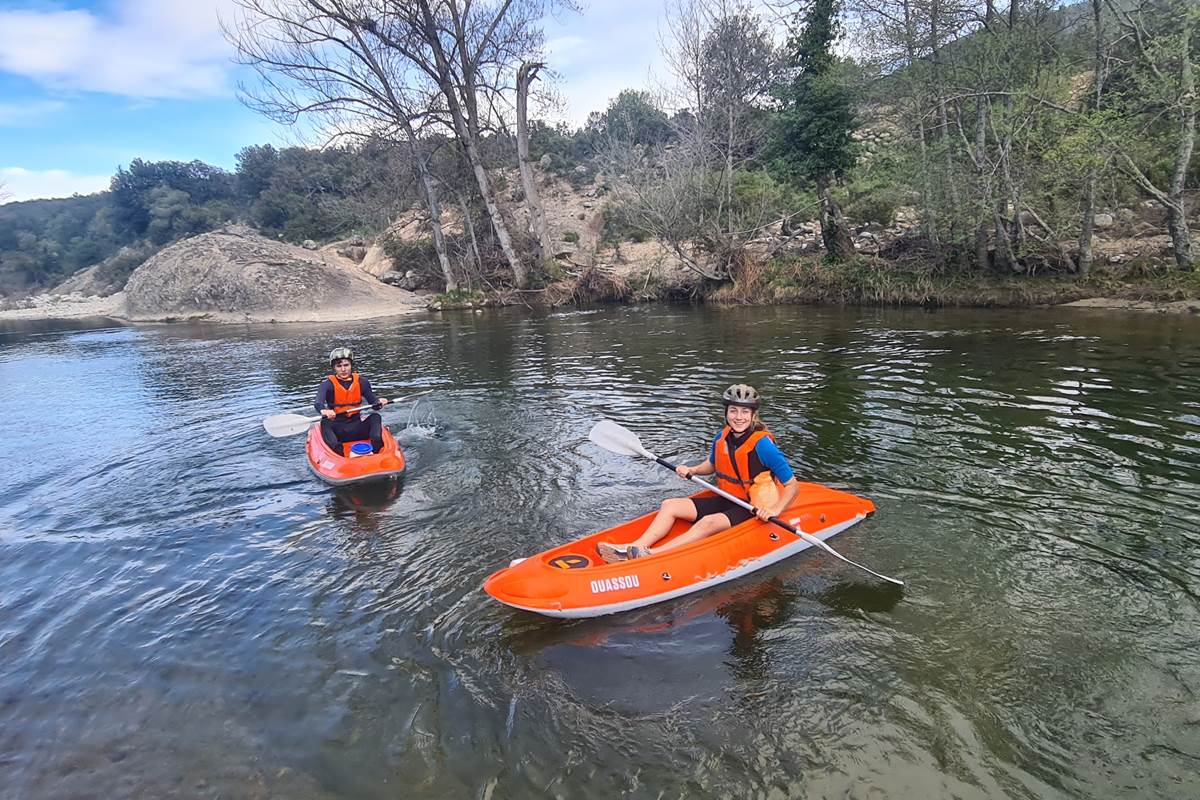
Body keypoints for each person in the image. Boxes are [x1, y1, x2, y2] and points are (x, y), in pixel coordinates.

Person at [598, 384, 800, 562]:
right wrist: (692, 470)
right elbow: (712, 465)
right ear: (726, 413)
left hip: (751, 507)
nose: (738, 417)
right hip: (728, 498)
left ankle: (652, 556)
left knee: (708, 522)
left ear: (753, 415)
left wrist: (775, 511)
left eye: (745, 412)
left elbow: (792, 485)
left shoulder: (763, 445)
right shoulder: (722, 436)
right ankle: (635, 547)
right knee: (670, 505)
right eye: (733, 411)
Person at [315, 347, 390, 454]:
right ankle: (337, 451)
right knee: (325, 422)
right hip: (338, 431)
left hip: (357, 428)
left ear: (351, 365)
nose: (343, 369)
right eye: (339, 366)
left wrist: (380, 403)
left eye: (346, 365)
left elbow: (374, 404)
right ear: (334, 368)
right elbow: (318, 403)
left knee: (375, 417)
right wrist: (324, 410)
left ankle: (377, 449)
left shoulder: (362, 382)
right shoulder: (327, 385)